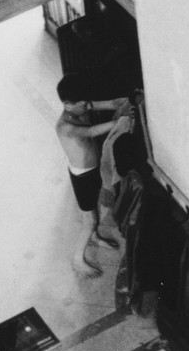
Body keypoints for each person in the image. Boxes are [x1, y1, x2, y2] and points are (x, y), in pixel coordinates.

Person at [54, 72, 133, 277]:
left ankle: (96, 237)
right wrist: (120, 122)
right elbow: (90, 132)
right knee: (89, 220)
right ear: (68, 105)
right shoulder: (65, 127)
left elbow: (110, 103)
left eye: (87, 103)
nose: (87, 107)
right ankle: (77, 259)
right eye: (82, 105)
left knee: (95, 209)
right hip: (82, 177)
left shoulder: (82, 106)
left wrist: (129, 100)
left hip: (93, 169)